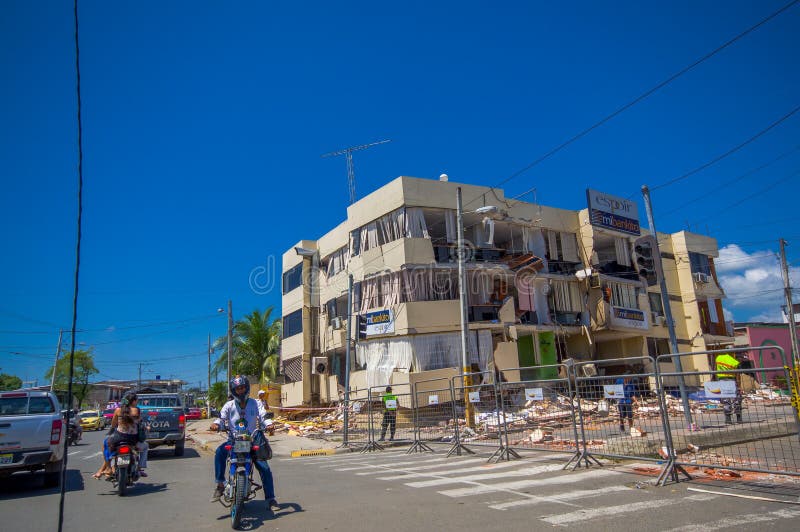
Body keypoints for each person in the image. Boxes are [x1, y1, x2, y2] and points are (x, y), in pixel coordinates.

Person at [210, 376, 278, 511]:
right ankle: (220, 484)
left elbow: (264, 417)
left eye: (242, 388)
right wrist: (216, 424)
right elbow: (221, 418)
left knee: (264, 467)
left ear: (246, 388)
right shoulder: (228, 405)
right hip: (234, 440)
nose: (240, 391)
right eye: (237, 388)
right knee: (219, 452)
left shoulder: (256, 403)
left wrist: (269, 425)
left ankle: (271, 499)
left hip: (252, 440)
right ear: (233, 390)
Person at [107, 391, 149, 477]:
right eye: (136, 400)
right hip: (132, 440)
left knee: (108, 447)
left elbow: (113, 424)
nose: (137, 402)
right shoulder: (136, 410)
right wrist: (146, 428)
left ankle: (110, 468)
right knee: (145, 446)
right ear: (133, 401)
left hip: (118, 438)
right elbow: (140, 423)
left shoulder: (118, 410)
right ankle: (140, 468)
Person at [715, 352, 743, 424]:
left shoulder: (718, 358)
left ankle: (728, 419)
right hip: (730, 379)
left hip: (721, 380)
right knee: (736, 399)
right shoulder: (730, 358)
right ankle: (739, 418)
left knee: (726, 400)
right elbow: (738, 365)